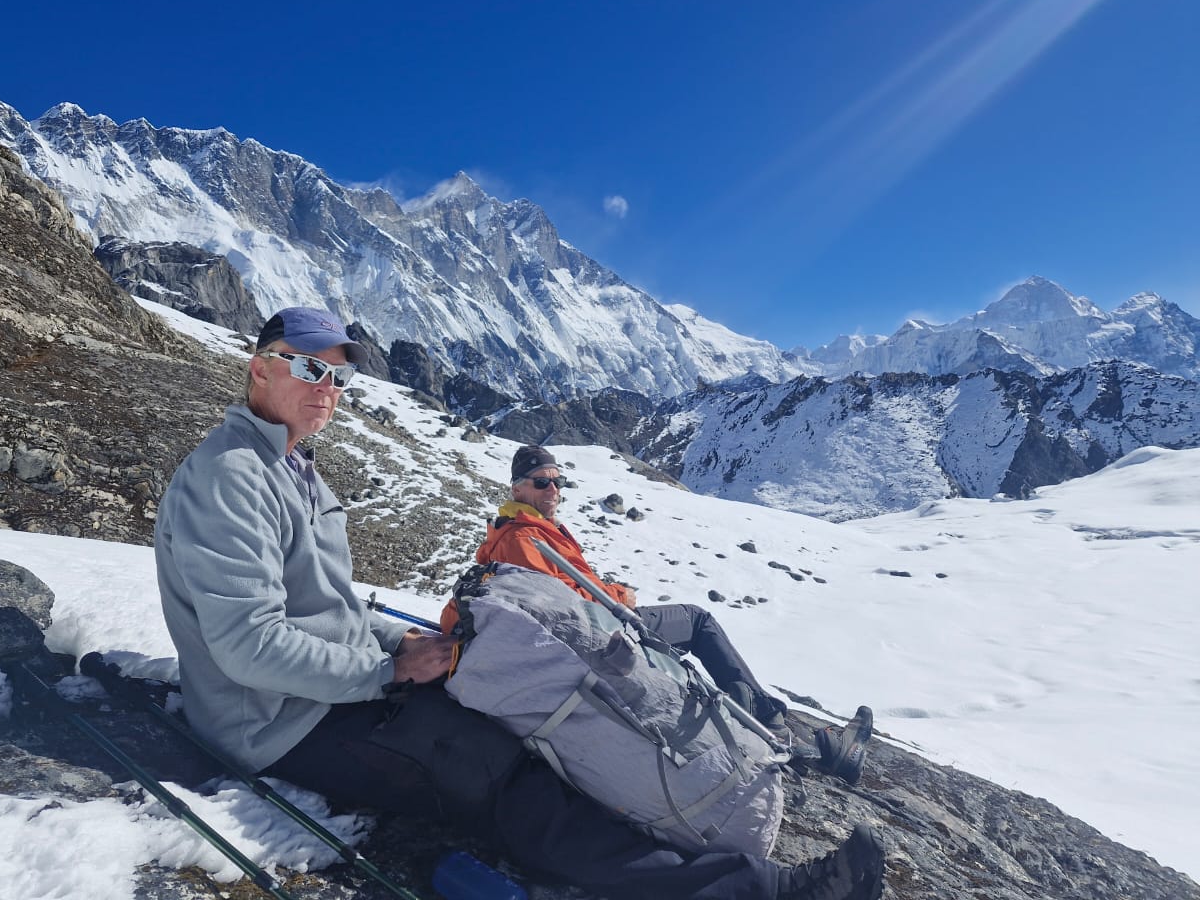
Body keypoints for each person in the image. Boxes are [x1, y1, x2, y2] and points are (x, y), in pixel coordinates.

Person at [155, 306, 886, 900]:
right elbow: (247, 646)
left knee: (516, 722)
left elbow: (329, 609)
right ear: (259, 367)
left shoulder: (292, 467)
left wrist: (397, 646)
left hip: (331, 690)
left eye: (339, 376)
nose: (328, 388)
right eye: (310, 368)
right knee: (505, 779)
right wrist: (388, 671)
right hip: (279, 722)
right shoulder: (232, 477)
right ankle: (761, 889)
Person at [441, 444, 873, 785]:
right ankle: (772, 723)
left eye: (558, 481)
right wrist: (619, 597)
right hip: (599, 629)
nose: (553, 490)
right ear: (517, 489)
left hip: (596, 621)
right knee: (698, 621)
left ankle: (758, 716)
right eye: (541, 482)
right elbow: (557, 605)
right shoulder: (523, 539)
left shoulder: (528, 529)